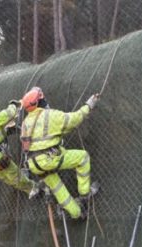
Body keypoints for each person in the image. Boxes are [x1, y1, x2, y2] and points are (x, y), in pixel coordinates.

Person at [20, 87, 100, 220]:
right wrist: (89, 105)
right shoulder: (50, 115)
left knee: (57, 188)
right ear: (39, 101)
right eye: (42, 99)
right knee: (83, 158)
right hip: (49, 159)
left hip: (34, 164)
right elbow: (75, 119)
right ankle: (85, 196)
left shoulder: (25, 123)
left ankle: (77, 213)